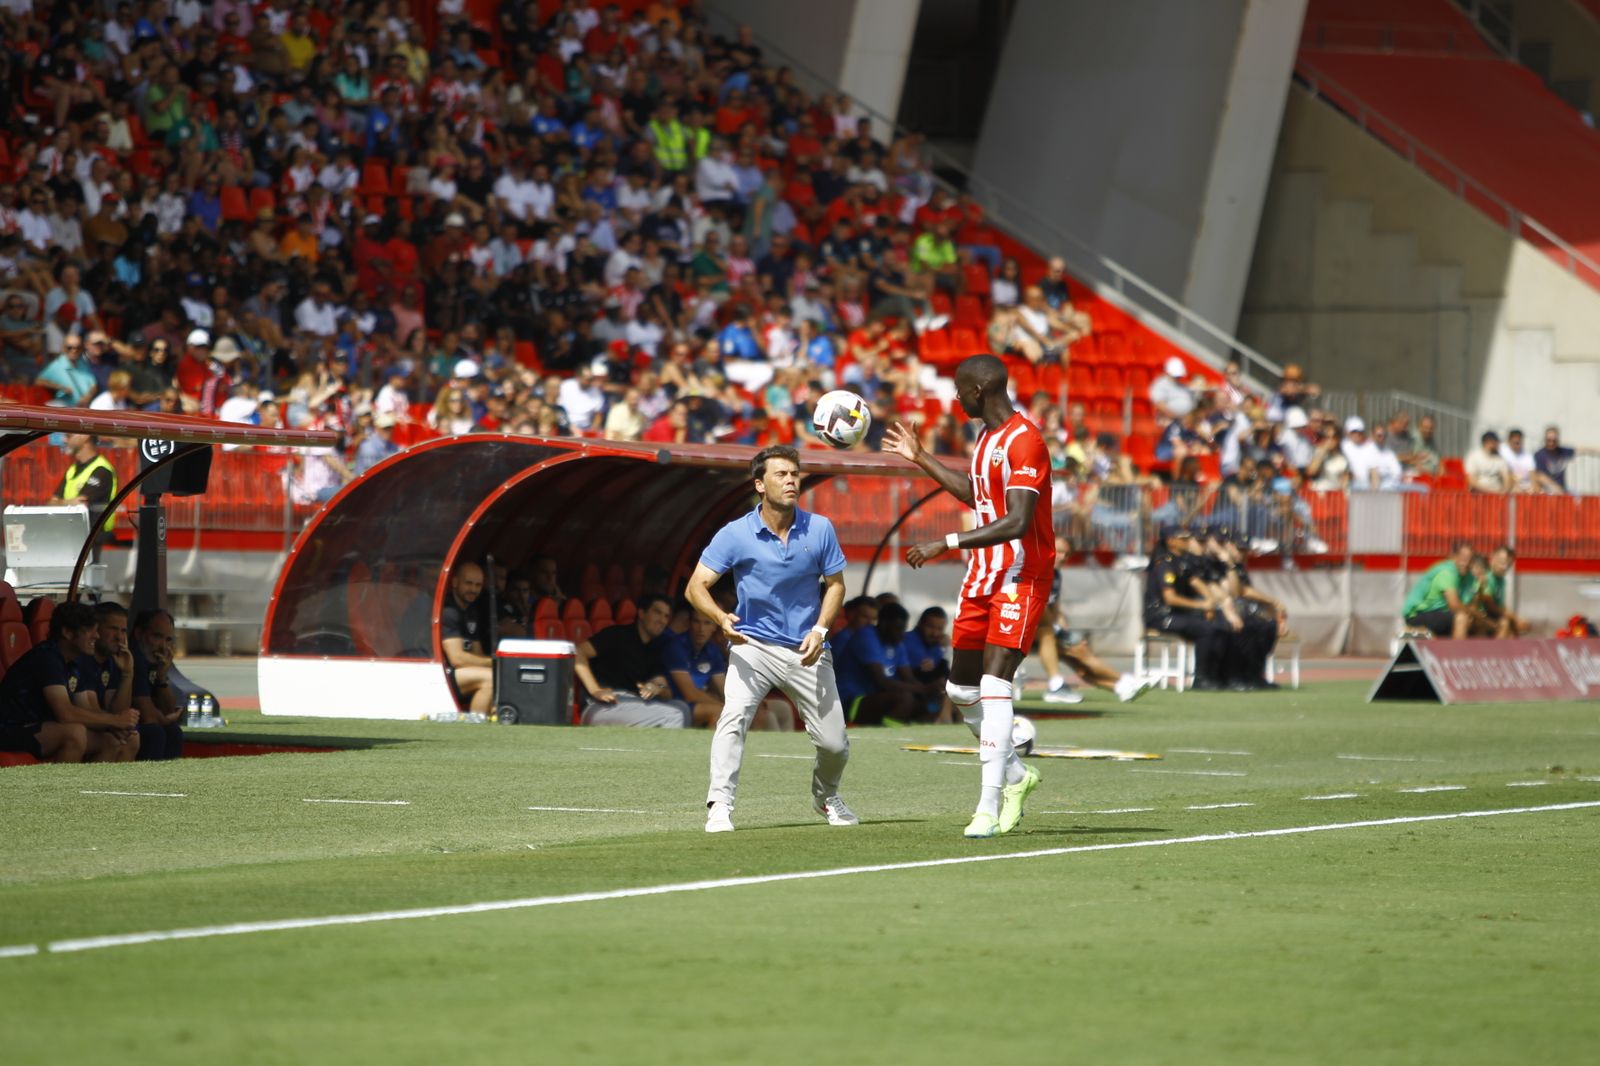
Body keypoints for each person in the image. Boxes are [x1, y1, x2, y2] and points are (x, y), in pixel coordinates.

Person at [886, 353, 1055, 839]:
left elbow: (1018, 521)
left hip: (1021, 576)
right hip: (983, 575)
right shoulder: (985, 438)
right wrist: (921, 457)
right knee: (961, 691)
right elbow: (976, 496)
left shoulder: (1027, 441)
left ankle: (987, 806)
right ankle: (1017, 776)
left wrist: (946, 542)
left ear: (979, 391)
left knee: (995, 684)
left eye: (960, 391)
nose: (956, 399)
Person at [687, 445, 856, 832]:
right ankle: (720, 805)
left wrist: (820, 630)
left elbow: (835, 585)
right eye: (781, 474)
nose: (791, 481)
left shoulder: (820, 528)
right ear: (760, 484)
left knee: (834, 745)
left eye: (794, 474)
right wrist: (720, 618)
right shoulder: (735, 533)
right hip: (752, 646)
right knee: (733, 717)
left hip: (807, 649)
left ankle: (826, 796)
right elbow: (695, 587)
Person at [0, 602, 106, 762]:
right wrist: (115, 721)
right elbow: (65, 714)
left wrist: (118, 725)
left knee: (114, 740)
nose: (96, 636)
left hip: (41, 728)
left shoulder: (75, 663)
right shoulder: (47, 657)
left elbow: (87, 709)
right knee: (74, 733)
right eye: (89, 630)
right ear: (67, 632)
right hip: (11, 728)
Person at [1143, 523, 1240, 692]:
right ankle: (1201, 678)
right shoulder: (1165, 564)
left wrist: (1211, 604)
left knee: (1221, 623)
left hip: (1178, 615)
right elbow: (1170, 598)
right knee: (1205, 629)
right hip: (1161, 616)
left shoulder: (1182, 563)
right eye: (1183, 539)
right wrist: (1202, 605)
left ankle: (1219, 675)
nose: (1187, 541)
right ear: (1171, 541)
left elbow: (1197, 583)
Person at [575, 593, 692, 727]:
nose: (662, 620)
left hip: (634, 703)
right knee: (674, 715)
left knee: (682, 707)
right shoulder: (617, 635)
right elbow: (578, 652)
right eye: (657, 613)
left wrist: (655, 687)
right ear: (641, 613)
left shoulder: (655, 648)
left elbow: (661, 683)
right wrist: (595, 690)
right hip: (603, 704)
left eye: (666, 616)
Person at [833, 600, 936, 724]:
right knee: (904, 698)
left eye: (903, 629)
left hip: (874, 697)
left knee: (929, 704)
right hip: (849, 701)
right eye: (898, 628)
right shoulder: (866, 636)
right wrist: (924, 689)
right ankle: (889, 734)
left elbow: (909, 677)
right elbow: (882, 681)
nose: (902, 634)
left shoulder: (897, 642)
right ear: (884, 624)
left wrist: (933, 692)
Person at [70, 601, 139, 761]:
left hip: (96, 723)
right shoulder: (83, 658)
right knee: (112, 740)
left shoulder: (112, 661)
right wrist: (115, 723)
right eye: (113, 629)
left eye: (123, 631)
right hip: (76, 725)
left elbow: (117, 711)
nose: (119, 637)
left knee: (133, 738)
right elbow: (90, 709)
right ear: (96, 629)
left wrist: (127, 674)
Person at [440, 561, 494, 714]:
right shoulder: (448, 611)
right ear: (455, 582)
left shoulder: (471, 612)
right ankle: (475, 726)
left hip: (459, 673)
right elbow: (457, 659)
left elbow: (477, 653)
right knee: (491, 678)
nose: (473, 589)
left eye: (478, 585)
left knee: (499, 676)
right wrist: (494, 663)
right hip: (440, 674)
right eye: (468, 583)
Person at [130, 607, 183, 760]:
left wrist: (161, 676)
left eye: (168, 639)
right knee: (154, 732)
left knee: (173, 731)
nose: (163, 646)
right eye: (157, 636)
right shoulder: (134, 657)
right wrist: (166, 720)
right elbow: (149, 717)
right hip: (116, 723)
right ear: (139, 634)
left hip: (135, 723)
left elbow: (168, 708)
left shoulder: (153, 659)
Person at [661, 609, 728, 727]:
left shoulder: (713, 651)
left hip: (695, 704)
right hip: (673, 703)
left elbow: (723, 690)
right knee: (719, 712)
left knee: (758, 713)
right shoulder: (676, 646)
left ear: (714, 627)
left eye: (707, 623)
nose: (701, 629)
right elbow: (690, 694)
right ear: (689, 623)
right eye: (696, 622)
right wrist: (726, 708)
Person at [48, 432, 119, 542]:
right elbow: (50, 504)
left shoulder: (101, 470)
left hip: (94, 540)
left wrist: (60, 502)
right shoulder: (72, 470)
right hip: (73, 536)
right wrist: (68, 502)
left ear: (85, 436)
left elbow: (80, 505)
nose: (64, 440)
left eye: (68, 436)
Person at [1401, 541, 1475, 639]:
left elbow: (1470, 604)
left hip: (1439, 614)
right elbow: (1454, 605)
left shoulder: (1469, 577)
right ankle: (1457, 650)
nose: (1466, 562)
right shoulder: (1447, 572)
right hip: (1417, 614)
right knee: (1461, 618)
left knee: (1475, 623)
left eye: (1470, 559)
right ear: (1453, 557)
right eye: (1464, 558)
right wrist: (1473, 615)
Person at [1466, 545, 1530, 638]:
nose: (1504, 567)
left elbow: (1500, 606)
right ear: (1493, 558)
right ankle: (1497, 647)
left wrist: (1514, 619)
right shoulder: (1486, 576)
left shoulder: (1501, 580)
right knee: (1505, 623)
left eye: (1508, 565)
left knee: (1512, 627)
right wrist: (1515, 618)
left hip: (1486, 615)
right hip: (1479, 615)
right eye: (1502, 562)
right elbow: (1490, 605)